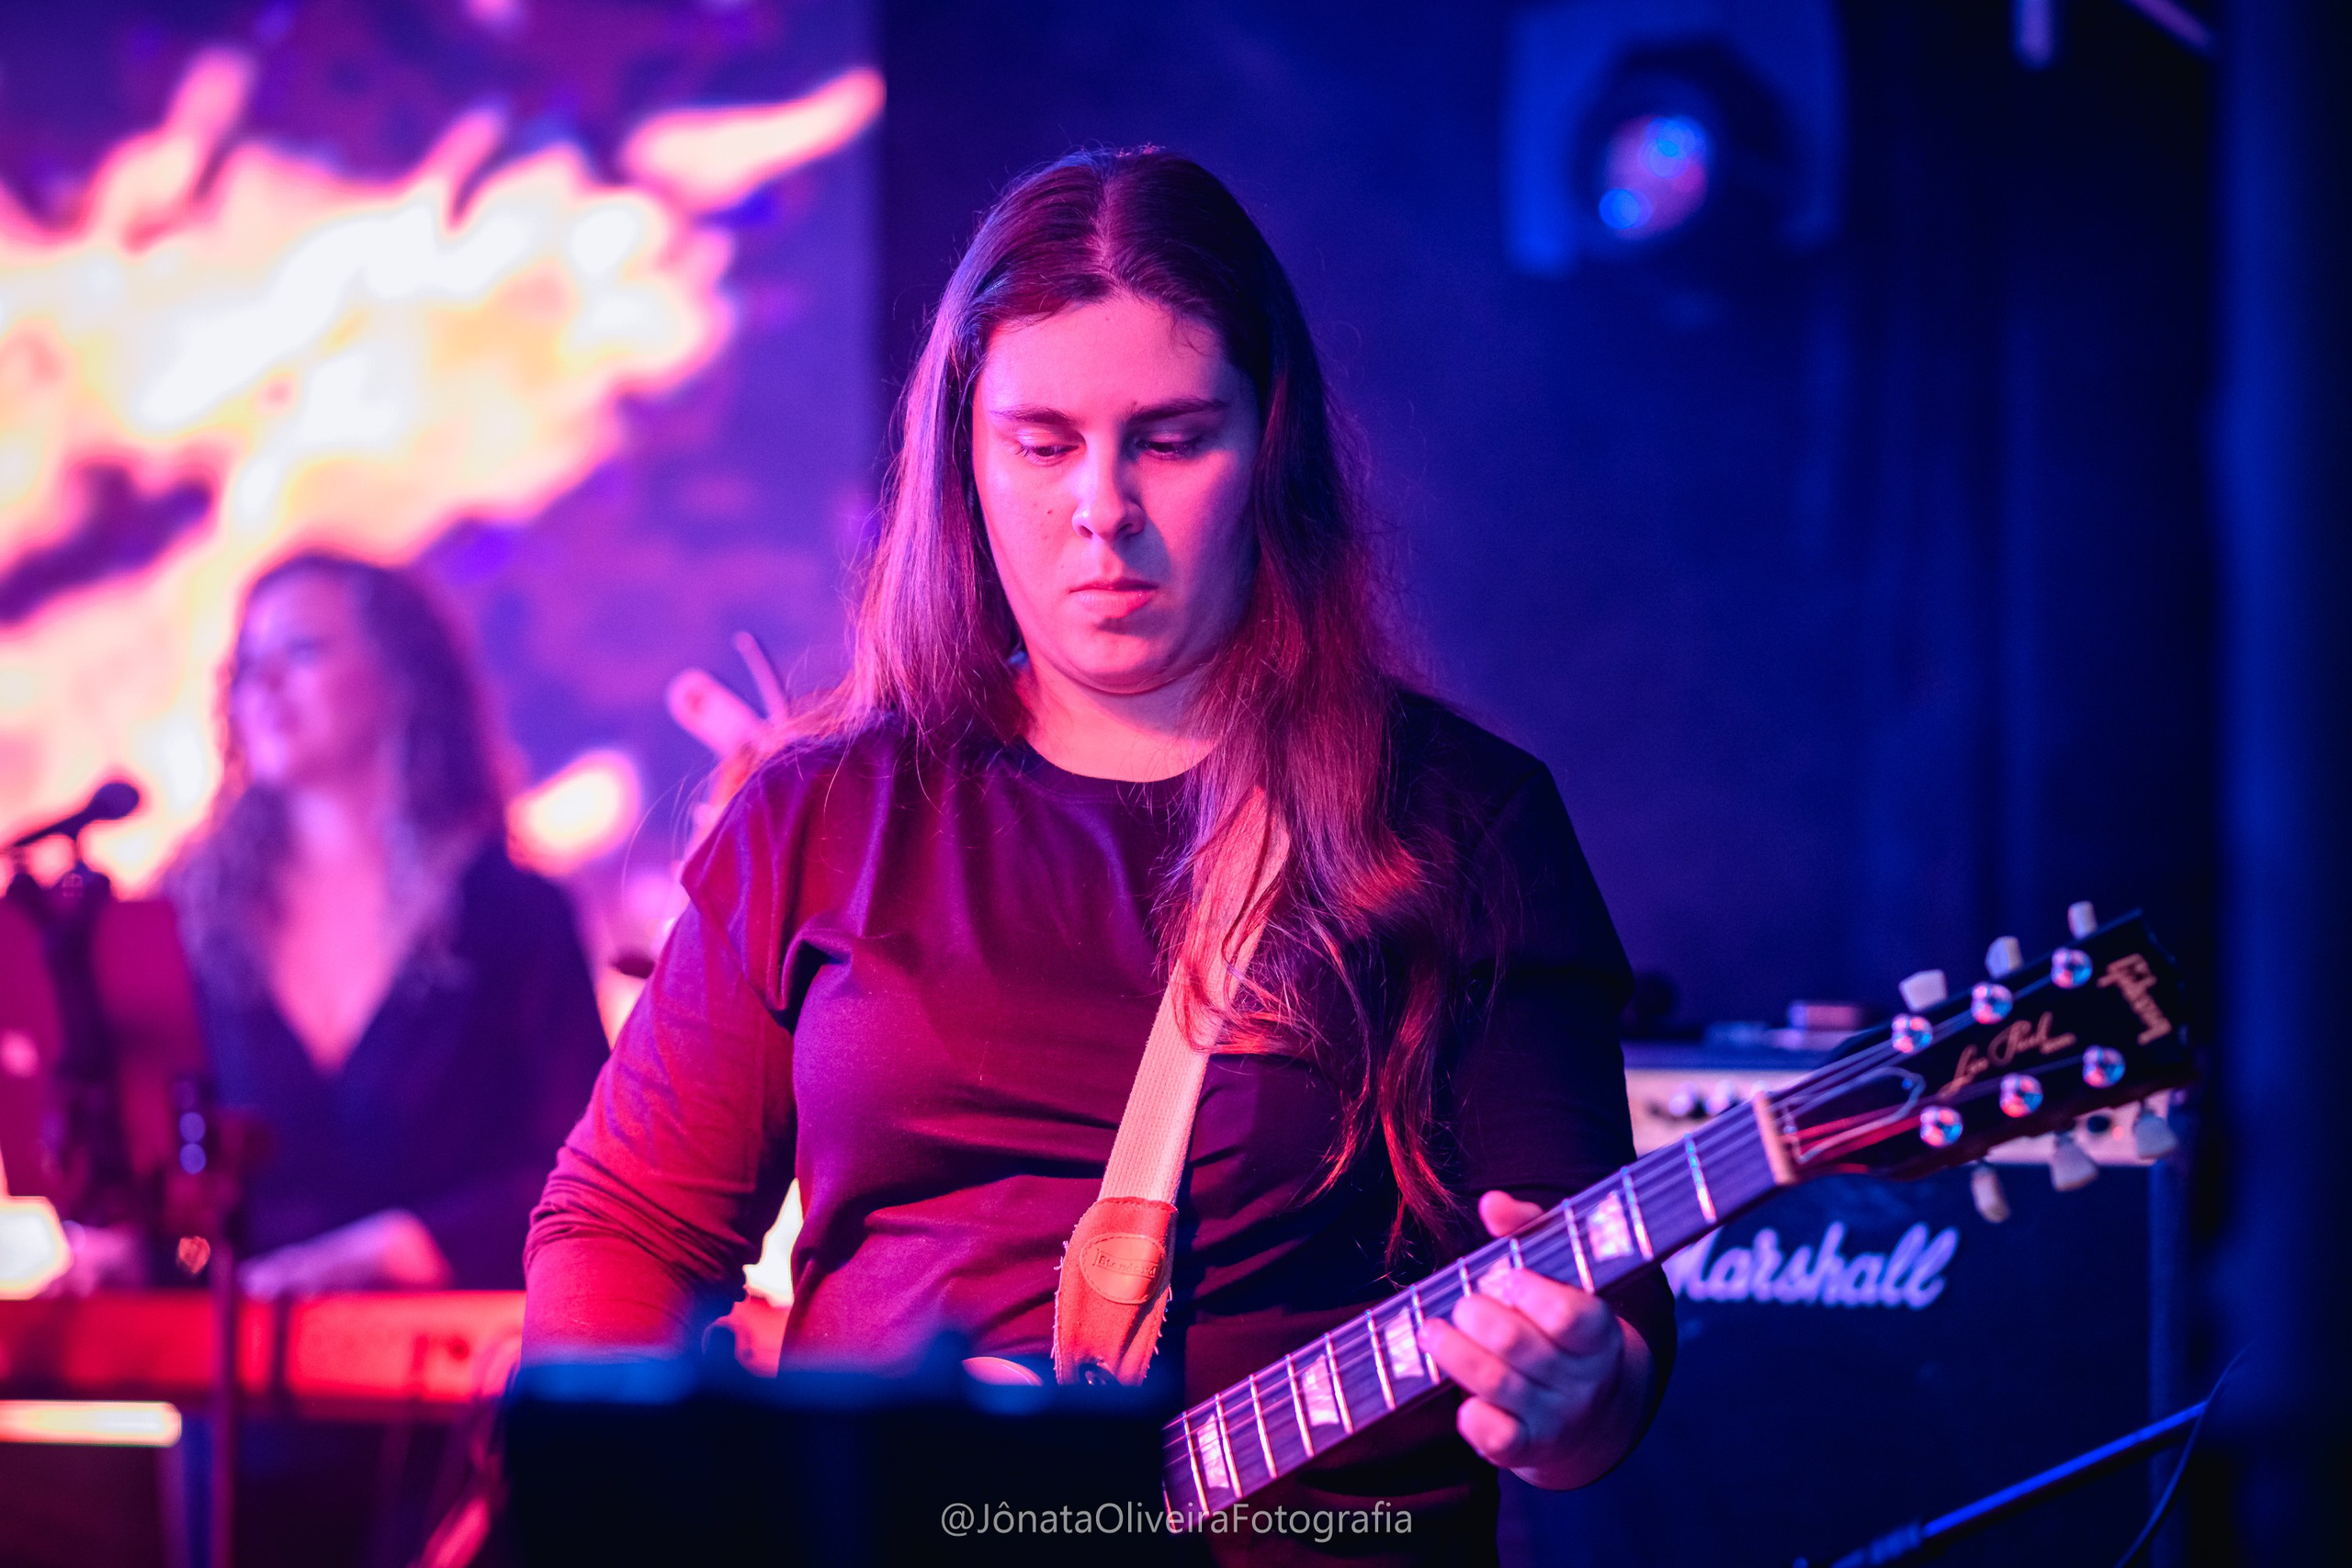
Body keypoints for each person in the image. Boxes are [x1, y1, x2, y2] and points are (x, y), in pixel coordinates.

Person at [525, 150, 1671, 1564]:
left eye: (1173, 438)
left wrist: (1573, 1388)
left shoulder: (1454, 817)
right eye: (1044, 439)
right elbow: (625, 1223)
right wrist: (653, 1508)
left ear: (1272, 448)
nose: (1103, 507)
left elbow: (1600, 1356)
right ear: (966, 453)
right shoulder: (824, 813)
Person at [165, 550, 609, 1563]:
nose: (261, 686)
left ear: (399, 677)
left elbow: (579, 1173)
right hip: (238, 1419)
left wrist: (396, 1247)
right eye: (246, 664)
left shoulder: (510, 917)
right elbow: (162, 1164)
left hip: (452, 1417)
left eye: (301, 652)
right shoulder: (192, 922)